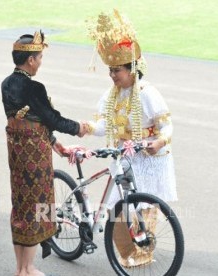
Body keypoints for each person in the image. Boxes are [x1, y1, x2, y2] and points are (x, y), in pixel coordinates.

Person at [83, 9, 177, 267]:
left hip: (149, 159)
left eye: (118, 71)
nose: (113, 76)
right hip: (124, 159)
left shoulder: (148, 93)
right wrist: (86, 127)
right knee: (116, 210)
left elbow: (167, 127)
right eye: (111, 71)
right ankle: (128, 253)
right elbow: (105, 125)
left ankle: (144, 252)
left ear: (132, 69)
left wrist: (158, 142)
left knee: (143, 207)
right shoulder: (111, 95)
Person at [1, 30, 85, 276]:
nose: (40, 62)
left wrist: (57, 146)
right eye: (39, 58)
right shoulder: (34, 87)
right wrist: (80, 128)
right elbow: (51, 119)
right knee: (36, 208)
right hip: (34, 157)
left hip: (16, 154)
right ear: (30, 60)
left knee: (20, 205)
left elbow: (33, 121)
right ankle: (27, 269)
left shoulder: (6, 83)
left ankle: (21, 267)